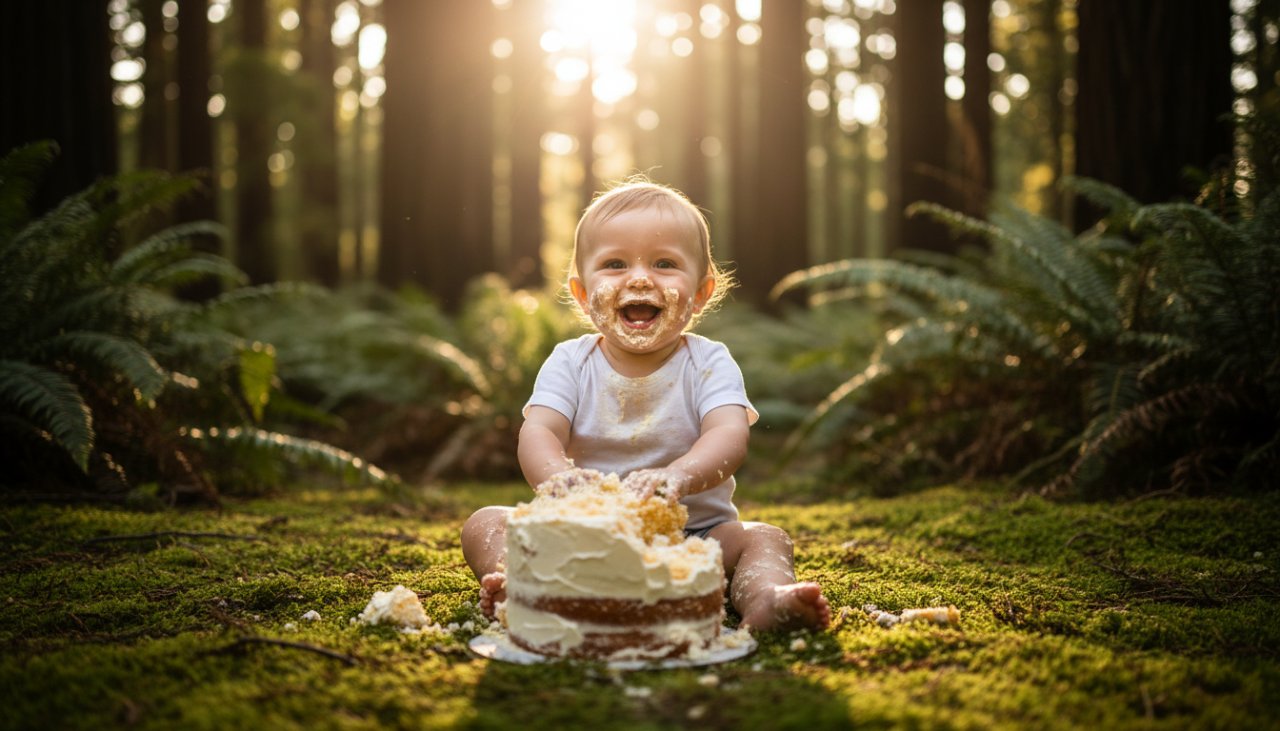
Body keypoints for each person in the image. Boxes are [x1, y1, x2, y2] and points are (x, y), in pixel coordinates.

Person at [460, 179, 830, 632]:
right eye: (615, 264)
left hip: (693, 540)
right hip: (585, 540)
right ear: (581, 293)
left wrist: (678, 476)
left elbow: (729, 435)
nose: (638, 277)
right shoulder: (571, 362)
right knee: (486, 522)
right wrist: (559, 482)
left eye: (664, 263)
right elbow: (539, 432)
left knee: (764, 539)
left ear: (700, 293)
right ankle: (524, 586)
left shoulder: (708, 361)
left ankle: (765, 599)